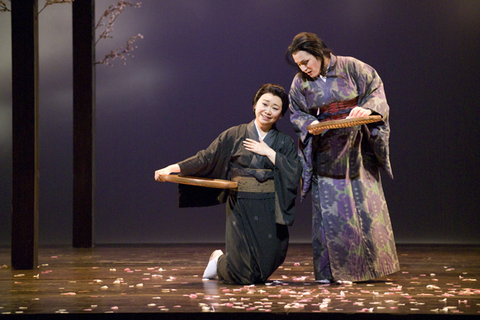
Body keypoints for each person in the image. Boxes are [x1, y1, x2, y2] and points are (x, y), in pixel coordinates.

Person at [154, 83, 302, 285]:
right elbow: (206, 158)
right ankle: (219, 259)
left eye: (275, 108)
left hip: (269, 204)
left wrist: (270, 153)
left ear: (281, 114)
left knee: (269, 262)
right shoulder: (235, 134)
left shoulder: (284, 142)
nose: (268, 111)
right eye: (264, 104)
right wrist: (175, 167)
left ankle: (224, 263)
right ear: (255, 105)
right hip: (241, 203)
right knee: (243, 275)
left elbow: (294, 171)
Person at [285, 32, 400, 283]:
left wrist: (367, 108)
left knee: (367, 209)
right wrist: (311, 123)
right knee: (331, 214)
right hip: (326, 151)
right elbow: (296, 113)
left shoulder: (352, 67)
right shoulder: (299, 83)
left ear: (318, 52)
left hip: (357, 147)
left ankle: (371, 270)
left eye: (306, 62)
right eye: (299, 65)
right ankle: (330, 273)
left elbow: (375, 90)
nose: (304, 68)